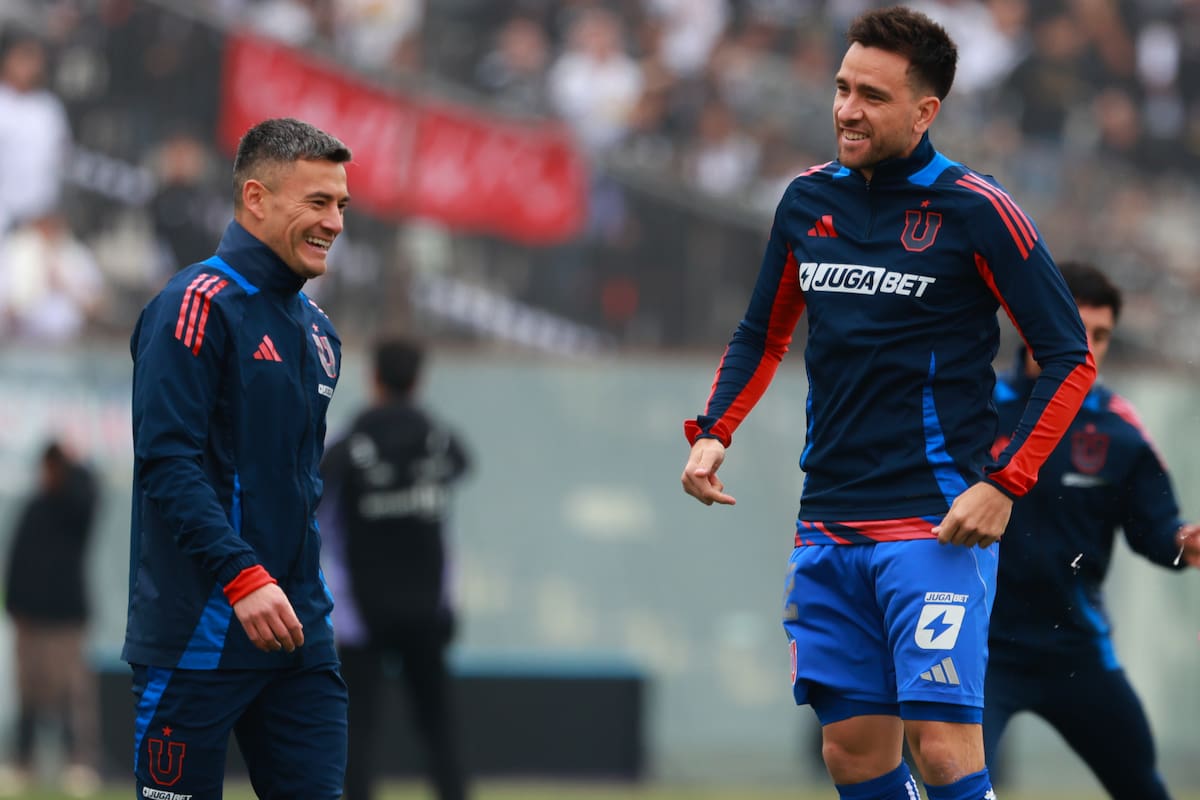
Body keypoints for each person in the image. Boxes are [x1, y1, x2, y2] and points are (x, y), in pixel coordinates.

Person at [680, 7, 1096, 800]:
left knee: (941, 751)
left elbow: (1069, 356)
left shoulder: (977, 209)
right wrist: (714, 431)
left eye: (872, 96)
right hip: (828, 521)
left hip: (934, 522)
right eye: (842, 88)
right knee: (853, 754)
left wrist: (1005, 483)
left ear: (924, 110)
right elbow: (761, 334)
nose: (847, 109)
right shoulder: (806, 201)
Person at [125, 117, 352, 798]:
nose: (335, 222)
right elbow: (167, 463)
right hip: (200, 631)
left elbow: (297, 487)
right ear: (256, 198)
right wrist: (243, 576)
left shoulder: (320, 333)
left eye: (341, 205)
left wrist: (294, 594)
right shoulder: (193, 305)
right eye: (318, 202)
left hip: (298, 634)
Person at [983, 261, 1200, 799]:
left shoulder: (1120, 429)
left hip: (1075, 650)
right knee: (956, 780)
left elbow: (1156, 531)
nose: (1088, 348)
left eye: (1101, 336)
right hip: (978, 648)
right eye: (1075, 330)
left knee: (1143, 786)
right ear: (1033, 323)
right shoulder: (974, 409)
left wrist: (1183, 543)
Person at [319, 337, 472, 800]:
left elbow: (319, 501)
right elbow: (462, 466)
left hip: (362, 611)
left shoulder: (351, 442)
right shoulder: (437, 439)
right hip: (427, 607)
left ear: (374, 378)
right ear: (419, 380)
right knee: (438, 726)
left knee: (357, 727)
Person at [1, 440, 100, 797]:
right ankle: (22, 763)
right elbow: (16, 559)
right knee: (28, 695)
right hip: (30, 621)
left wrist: (76, 463)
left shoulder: (74, 508)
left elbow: (91, 494)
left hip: (66, 622)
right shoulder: (34, 508)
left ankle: (79, 764)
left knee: (72, 695)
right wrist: (14, 607)